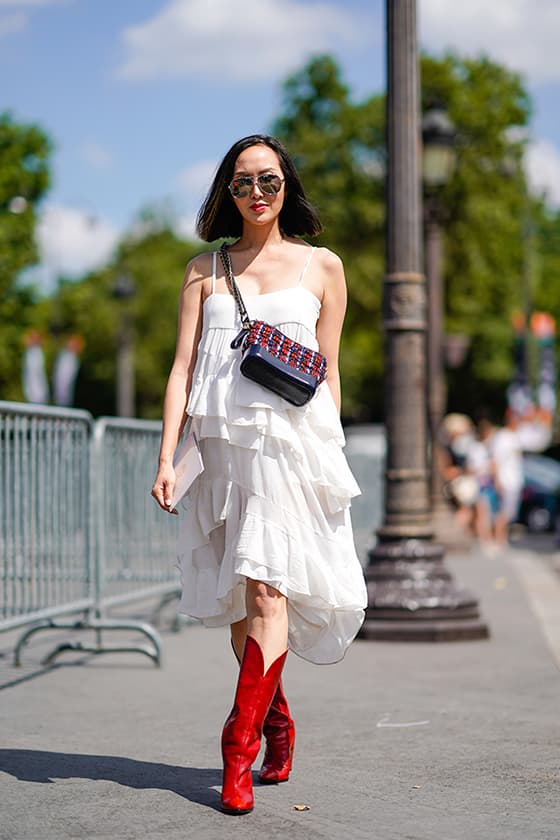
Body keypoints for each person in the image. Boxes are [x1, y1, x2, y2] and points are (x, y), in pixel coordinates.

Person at [151, 135, 367, 815]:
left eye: (269, 181)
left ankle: (236, 749)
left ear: (286, 186)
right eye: (243, 182)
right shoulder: (204, 270)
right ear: (227, 191)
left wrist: (330, 464)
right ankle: (277, 722)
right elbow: (183, 368)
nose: (256, 194)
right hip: (219, 449)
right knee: (244, 610)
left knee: (270, 596)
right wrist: (166, 455)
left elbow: (326, 370)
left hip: (287, 453)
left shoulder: (322, 267)